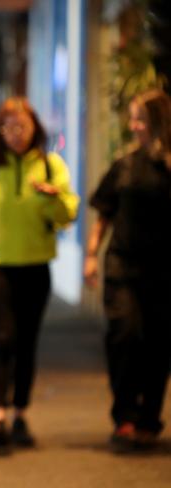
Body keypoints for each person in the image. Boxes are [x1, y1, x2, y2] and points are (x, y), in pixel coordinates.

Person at [0, 97, 79, 448]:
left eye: (23, 127)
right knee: (2, 338)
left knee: (26, 343)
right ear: (0, 130)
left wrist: (52, 198)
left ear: (35, 128)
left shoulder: (51, 166)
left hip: (36, 266)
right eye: (9, 127)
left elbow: (67, 215)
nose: (16, 134)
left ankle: (21, 412)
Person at [84, 88, 171, 450]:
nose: (134, 126)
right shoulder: (124, 164)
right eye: (132, 118)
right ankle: (124, 416)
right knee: (125, 334)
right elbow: (104, 213)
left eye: (141, 119)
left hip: (164, 270)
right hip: (122, 263)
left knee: (158, 343)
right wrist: (91, 254)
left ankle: (149, 416)